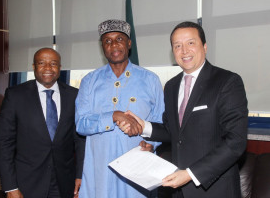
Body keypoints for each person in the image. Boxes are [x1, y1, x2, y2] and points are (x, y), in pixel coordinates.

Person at [121, 21, 248, 198]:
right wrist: (143, 126)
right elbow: (172, 131)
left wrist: (190, 174)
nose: (184, 51)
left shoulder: (227, 82)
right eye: (177, 46)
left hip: (215, 189)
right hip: (178, 191)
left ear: (204, 46)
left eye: (190, 43)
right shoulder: (172, 86)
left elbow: (236, 142)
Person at [75, 19, 164, 198]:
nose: (113, 44)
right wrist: (113, 116)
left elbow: (160, 123)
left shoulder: (150, 80)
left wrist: (151, 144)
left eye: (119, 39)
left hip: (137, 171)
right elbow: (81, 124)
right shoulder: (90, 81)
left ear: (129, 43)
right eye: (107, 41)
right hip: (99, 171)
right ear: (102, 47)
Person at [0, 48, 85, 198]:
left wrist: (80, 175)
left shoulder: (74, 95)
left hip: (64, 181)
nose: (48, 68)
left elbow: (80, 139)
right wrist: (10, 186)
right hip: (26, 182)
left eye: (53, 63)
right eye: (41, 63)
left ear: (60, 68)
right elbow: (5, 143)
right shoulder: (15, 95)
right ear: (33, 67)